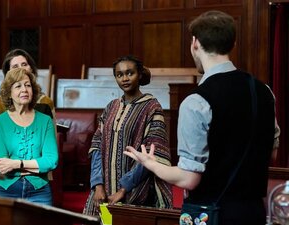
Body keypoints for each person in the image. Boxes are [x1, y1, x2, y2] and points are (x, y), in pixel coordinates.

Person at [124, 10, 280, 225]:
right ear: (233, 43)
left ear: (195, 43)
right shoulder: (264, 91)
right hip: (254, 211)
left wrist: (151, 164)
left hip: (212, 213)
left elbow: (189, 179)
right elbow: (271, 154)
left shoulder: (196, 101)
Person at [83, 55, 172, 217]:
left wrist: (123, 189)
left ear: (140, 75)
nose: (124, 78)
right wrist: (98, 185)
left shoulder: (152, 107)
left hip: (136, 190)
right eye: (119, 74)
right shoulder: (111, 107)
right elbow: (96, 145)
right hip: (103, 189)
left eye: (130, 73)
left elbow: (153, 154)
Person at [0, 68, 58, 206]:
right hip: (5, 188)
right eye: (18, 86)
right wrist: (36, 166)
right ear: (9, 92)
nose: (24, 89)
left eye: (28, 85)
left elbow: (51, 161)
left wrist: (16, 164)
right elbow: (1, 166)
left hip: (39, 190)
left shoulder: (45, 121)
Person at [0, 48, 55, 122]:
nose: (21, 69)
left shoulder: (46, 102)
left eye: (24, 64)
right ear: (8, 73)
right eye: (15, 66)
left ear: (31, 69)